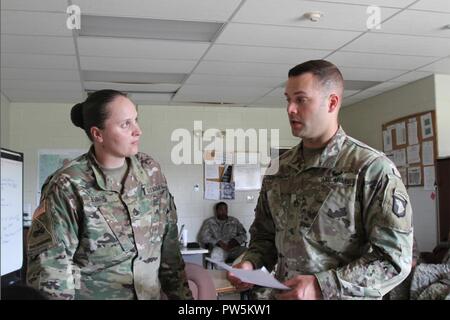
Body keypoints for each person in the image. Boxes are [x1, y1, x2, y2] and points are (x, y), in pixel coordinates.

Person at [227, 60, 414, 300]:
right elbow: (265, 236)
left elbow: (394, 260)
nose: (290, 109)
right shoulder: (279, 168)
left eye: (301, 99)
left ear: (332, 102)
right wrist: (250, 263)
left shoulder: (370, 169)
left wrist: (322, 286)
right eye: (288, 99)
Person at [26, 89, 192, 300]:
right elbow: (52, 269)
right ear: (98, 134)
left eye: (136, 120)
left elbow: (170, 251)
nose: (138, 130)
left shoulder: (151, 171)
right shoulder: (68, 185)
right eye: (126, 124)